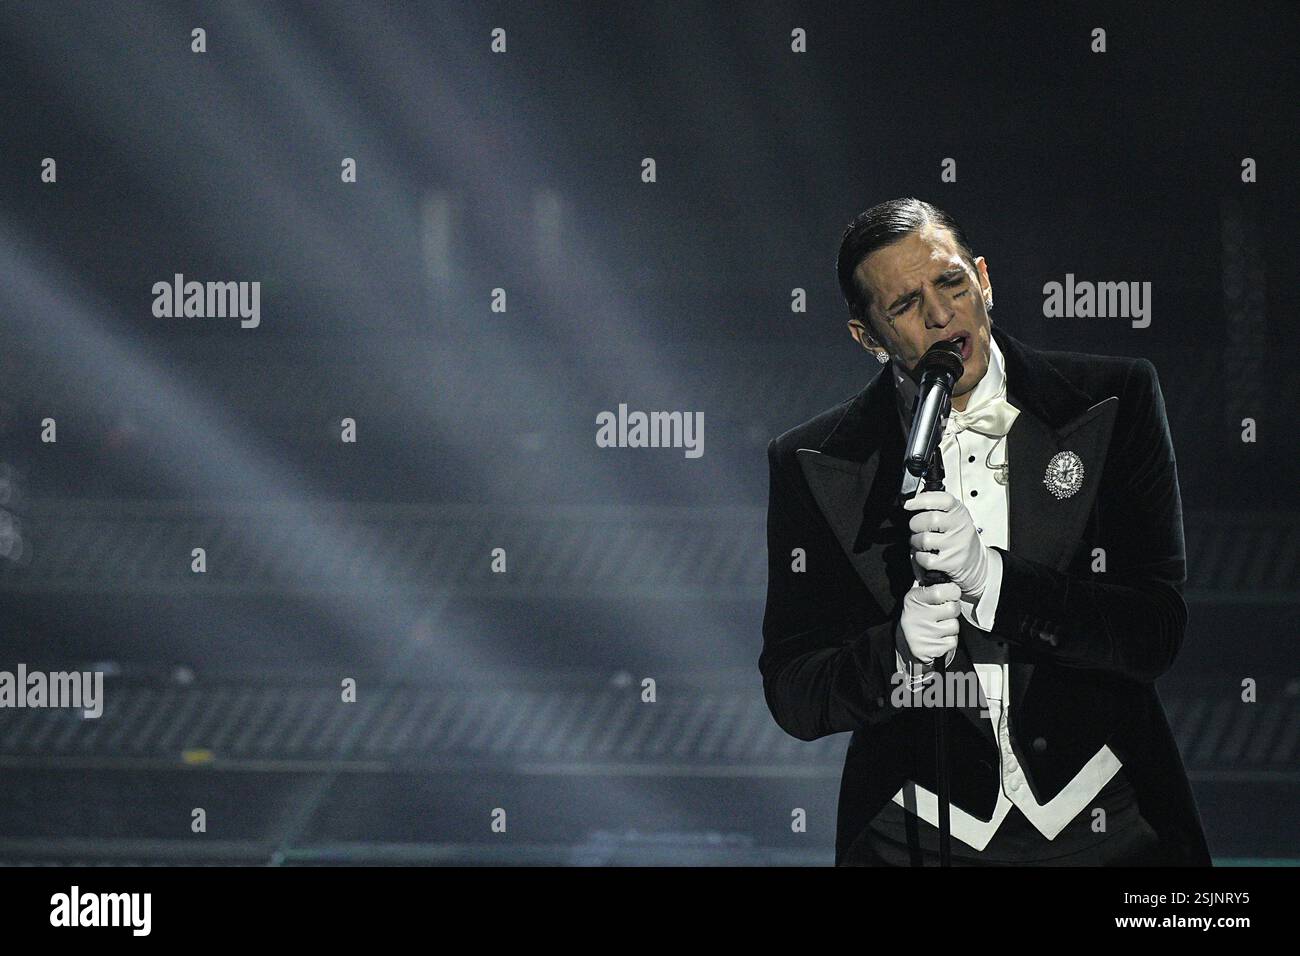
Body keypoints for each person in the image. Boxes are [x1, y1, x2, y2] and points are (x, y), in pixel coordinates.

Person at [759, 197, 1211, 866]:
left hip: (1108, 821)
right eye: (905, 306)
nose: (942, 315)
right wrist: (899, 655)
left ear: (984, 278)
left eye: (951, 283)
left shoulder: (1113, 399)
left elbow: (1154, 631)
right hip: (912, 834)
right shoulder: (814, 462)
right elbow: (794, 692)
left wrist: (992, 579)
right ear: (867, 337)